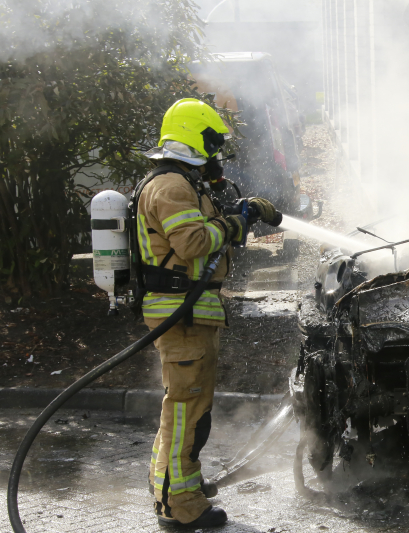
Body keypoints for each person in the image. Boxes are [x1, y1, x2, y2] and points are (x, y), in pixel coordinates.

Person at [136, 98, 280, 528]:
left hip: (190, 311)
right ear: (196, 138)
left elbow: (201, 232)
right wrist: (234, 224)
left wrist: (245, 208)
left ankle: (177, 492)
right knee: (185, 412)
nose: (216, 153)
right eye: (213, 143)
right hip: (181, 313)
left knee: (185, 408)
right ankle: (180, 508)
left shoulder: (181, 182)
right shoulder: (171, 186)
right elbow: (194, 243)